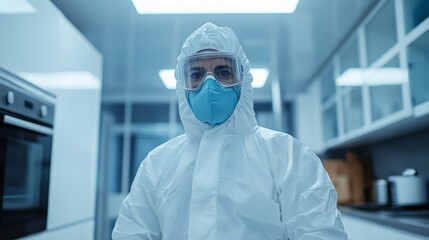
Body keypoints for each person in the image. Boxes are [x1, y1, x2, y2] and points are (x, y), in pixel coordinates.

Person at [112, 22, 348, 239]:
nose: (210, 83)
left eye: (223, 72)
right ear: (182, 85)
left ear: (242, 80)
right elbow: (132, 232)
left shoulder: (288, 156)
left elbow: (320, 232)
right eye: (196, 74)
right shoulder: (157, 164)